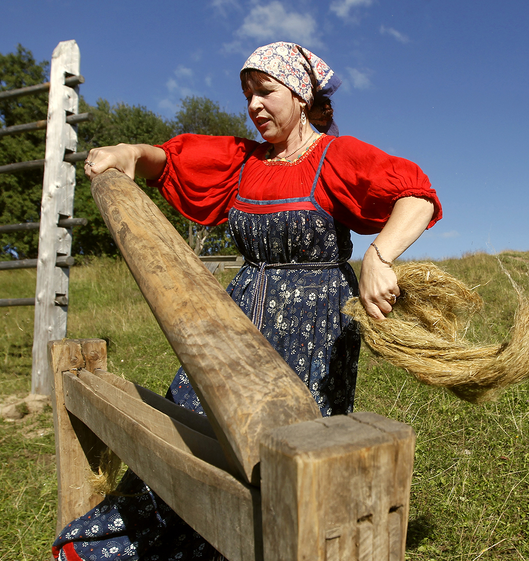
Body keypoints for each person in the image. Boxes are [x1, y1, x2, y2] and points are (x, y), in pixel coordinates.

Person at [52, 42, 441, 560]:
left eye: (266, 92)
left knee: (288, 449)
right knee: (187, 426)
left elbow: (415, 194)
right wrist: (128, 154)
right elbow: (167, 160)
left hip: (315, 326)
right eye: (248, 96)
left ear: (301, 95)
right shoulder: (241, 161)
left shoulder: (334, 156)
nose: (254, 105)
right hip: (234, 319)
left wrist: (380, 257)